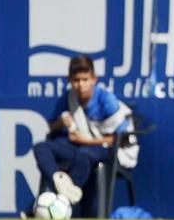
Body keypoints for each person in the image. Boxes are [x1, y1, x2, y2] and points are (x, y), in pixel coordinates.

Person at [31, 55, 132, 210]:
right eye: (76, 80)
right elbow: (51, 127)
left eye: (85, 80)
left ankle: (57, 201)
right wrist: (60, 123)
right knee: (41, 147)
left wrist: (85, 140)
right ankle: (58, 180)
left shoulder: (106, 100)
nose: (81, 85)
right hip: (78, 148)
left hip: (104, 149)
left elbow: (124, 139)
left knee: (84, 156)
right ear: (70, 81)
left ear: (94, 79)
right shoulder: (68, 98)